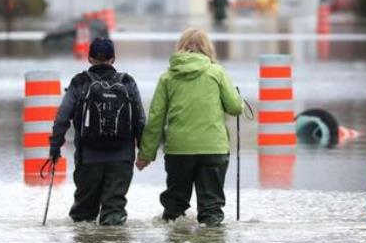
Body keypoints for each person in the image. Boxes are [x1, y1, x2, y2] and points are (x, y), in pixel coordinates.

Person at [136, 28, 243, 226]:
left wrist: (146, 154)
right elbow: (235, 107)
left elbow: (156, 118)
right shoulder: (217, 72)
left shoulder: (167, 77)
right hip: (213, 148)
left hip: (179, 150)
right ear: (207, 48)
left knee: (174, 208)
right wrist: (238, 98)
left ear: (181, 47)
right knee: (211, 208)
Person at [50, 37, 145, 225]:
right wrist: (143, 150)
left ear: (89, 58)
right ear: (113, 59)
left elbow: (62, 118)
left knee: (83, 216)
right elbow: (140, 120)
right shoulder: (127, 82)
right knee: (114, 211)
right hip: (121, 158)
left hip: (88, 158)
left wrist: (55, 147)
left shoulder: (79, 82)